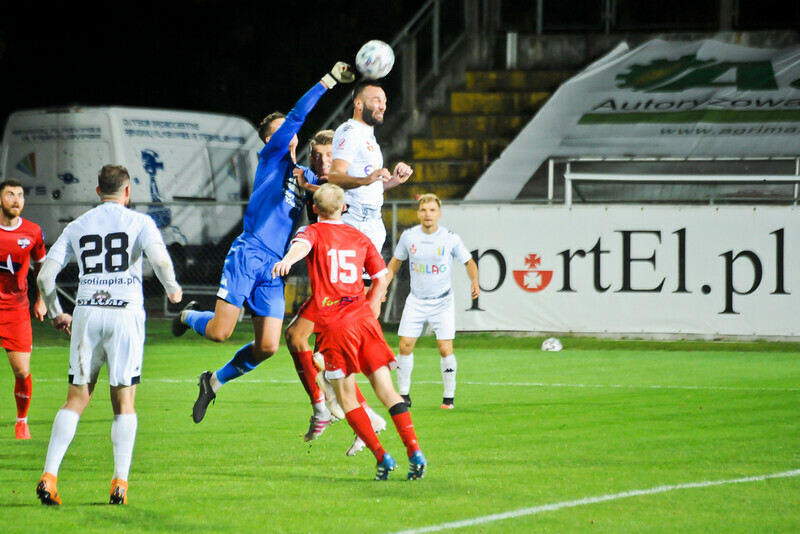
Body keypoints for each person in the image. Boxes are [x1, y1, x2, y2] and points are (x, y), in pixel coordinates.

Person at [170, 63, 354, 442]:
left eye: (290, 129)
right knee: (221, 331)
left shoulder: (303, 176)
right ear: (271, 138)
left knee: (268, 346)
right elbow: (300, 114)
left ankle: (213, 382)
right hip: (249, 253)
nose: (290, 132)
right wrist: (328, 81)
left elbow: (334, 194)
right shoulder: (272, 159)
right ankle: (189, 315)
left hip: (274, 268)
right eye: (282, 129)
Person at [35, 164, 182, 506]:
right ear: (127, 192)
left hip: (87, 312)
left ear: (98, 191)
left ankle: (50, 475)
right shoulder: (140, 222)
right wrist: (173, 289)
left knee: (76, 399)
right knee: (124, 402)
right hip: (125, 313)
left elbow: (44, 278)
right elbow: (160, 260)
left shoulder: (78, 225)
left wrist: (57, 313)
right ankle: (119, 484)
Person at [272, 183, 426, 481]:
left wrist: (289, 260)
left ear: (314, 209)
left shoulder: (312, 232)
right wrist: (372, 311)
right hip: (364, 319)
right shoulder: (360, 237)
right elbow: (381, 278)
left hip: (335, 324)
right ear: (344, 207)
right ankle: (414, 451)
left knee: (347, 398)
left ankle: (382, 457)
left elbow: (301, 246)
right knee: (387, 390)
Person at [286, 130, 388, 451]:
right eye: (316, 156)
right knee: (320, 354)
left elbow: (333, 193)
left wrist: (307, 185)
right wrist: (292, 157)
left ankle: (331, 408)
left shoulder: (338, 188)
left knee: (299, 340)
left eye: (329, 156)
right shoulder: (318, 180)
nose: (322, 162)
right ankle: (359, 417)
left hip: (336, 288)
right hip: (333, 283)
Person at [386, 194, 480, 409]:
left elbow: (469, 261)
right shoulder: (409, 237)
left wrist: (474, 280)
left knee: (445, 348)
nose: (427, 214)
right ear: (418, 213)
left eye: (432, 210)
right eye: (424, 210)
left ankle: (448, 398)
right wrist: (383, 286)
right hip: (416, 300)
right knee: (405, 345)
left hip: (442, 301)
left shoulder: (449, 238)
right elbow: (394, 263)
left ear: (439, 213)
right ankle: (403, 396)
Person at [327, 79, 413, 257]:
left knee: (373, 284)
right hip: (355, 222)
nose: (382, 106)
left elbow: (370, 186)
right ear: (358, 103)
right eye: (376, 100)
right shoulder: (350, 131)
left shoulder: (369, 136)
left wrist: (395, 180)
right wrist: (364, 180)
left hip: (373, 223)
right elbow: (334, 176)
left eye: (384, 101)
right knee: (361, 284)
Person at [0, 179, 47, 440]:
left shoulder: (32, 232)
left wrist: (40, 299)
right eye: (10, 195)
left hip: (16, 310)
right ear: (0, 200)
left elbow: (42, 267)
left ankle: (21, 421)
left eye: (20, 195)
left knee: (21, 371)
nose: (16, 200)